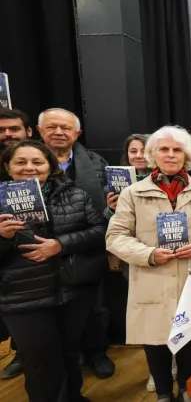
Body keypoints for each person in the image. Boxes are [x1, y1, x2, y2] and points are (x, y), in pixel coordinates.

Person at [105, 126, 191, 402]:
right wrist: (148, 254)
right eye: (164, 149)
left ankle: (188, 389)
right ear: (152, 154)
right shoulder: (133, 193)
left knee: (189, 338)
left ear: (187, 155)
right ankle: (165, 394)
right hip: (150, 276)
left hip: (188, 275)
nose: (170, 154)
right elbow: (115, 237)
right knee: (155, 340)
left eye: (177, 149)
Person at [0, 140, 106, 402]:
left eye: (37, 162)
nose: (29, 168)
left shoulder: (76, 195)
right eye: (21, 162)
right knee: (40, 361)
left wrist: (60, 244)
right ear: (7, 166)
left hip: (71, 289)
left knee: (70, 353)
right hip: (23, 297)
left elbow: (99, 232)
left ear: (51, 165)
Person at [37, 108, 114, 378]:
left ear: (77, 133)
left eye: (66, 128)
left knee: (95, 307)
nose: (59, 132)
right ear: (39, 132)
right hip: (38, 252)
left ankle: (97, 352)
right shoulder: (26, 162)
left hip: (86, 247)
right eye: (52, 127)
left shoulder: (96, 162)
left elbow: (104, 212)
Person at [0, 108, 32, 380]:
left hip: (59, 269)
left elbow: (90, 228)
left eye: (13, 129)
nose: (7, 135)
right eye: (1, 130)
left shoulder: (68, 191)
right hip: (11, 275)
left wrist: (61, 244)